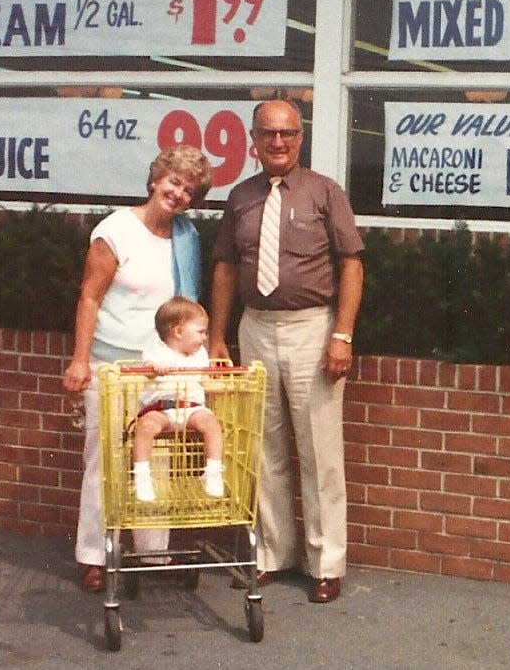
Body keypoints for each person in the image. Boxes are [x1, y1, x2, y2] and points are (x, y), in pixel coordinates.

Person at [209, 98, 364, 604]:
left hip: (310, 330)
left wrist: (341, 335)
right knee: (263, 448)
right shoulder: (241, 197)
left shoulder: (325, 192)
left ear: (301, 138)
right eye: (269, 133)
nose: (279, 142)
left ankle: (326, 563)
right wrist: (217, 336)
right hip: (256, 329)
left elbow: (352, 265)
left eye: (289, 133)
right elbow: (227, 267)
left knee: (319, 452)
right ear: (253, 140)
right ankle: (274, 555)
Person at [63, 144, 213, 594]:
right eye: (173, 181)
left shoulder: (185, 239)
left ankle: (153, 552)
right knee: (105, 459)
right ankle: (92, 555)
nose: (178, 193)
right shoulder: (116, 231)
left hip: (161, 370)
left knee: (159, 459)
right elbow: (90, 296)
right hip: (112, 364)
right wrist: (79, 359)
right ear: (155, 180)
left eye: (188, 189)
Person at [133, 297, 224, 502]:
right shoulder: (156, 349)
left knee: (211, 423)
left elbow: (206, 382)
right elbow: (148, 370)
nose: (204, 337)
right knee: (146, 426)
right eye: (200, 331)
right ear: (178, 331)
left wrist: (232, 385)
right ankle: (141, 475)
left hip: (191, 408)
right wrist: (155, 368)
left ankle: (213, 471)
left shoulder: (200, 354)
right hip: (161, 408)